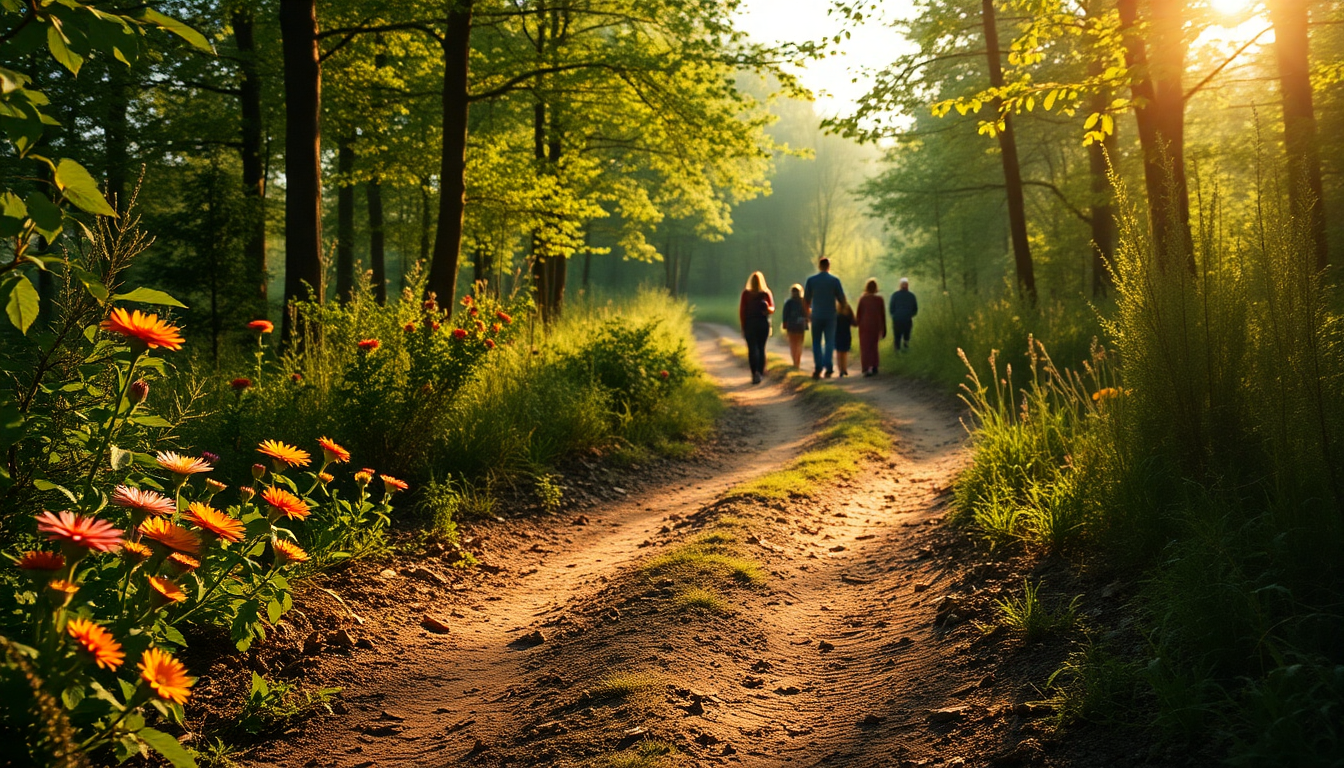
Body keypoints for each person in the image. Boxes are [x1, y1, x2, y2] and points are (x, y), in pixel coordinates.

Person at [802, 257, 847, 378]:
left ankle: (818, 368)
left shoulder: (811, 281)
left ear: (819, 266)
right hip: (831, 316)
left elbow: (806, 300)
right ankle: (829, 367)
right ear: (828, 266)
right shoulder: (834, 281)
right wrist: (841, 312)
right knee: (829, 342)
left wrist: (808, 314)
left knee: (816, 342)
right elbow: (842, 300)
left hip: (816, 315)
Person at [738, 271, 775, 384]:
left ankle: (755, 373)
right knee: (761, 348)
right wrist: (766, 308)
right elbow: (772, 309)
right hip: (763, 324)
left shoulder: (746, 294)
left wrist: (743, 325)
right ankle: (760, 371)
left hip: (750, 323)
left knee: (752, 349)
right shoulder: (765, 293)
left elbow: (742, 311)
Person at [856, 278, 887, 376]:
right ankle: (874, 366)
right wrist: (884, 329)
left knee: (865, 347)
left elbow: (859, 314)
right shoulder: (880, 299)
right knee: (874, 346)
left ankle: (865, 368)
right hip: (876, 325)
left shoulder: (863, 299)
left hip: (864, 325)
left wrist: (857, 324)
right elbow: (882, 315)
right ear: (876, 288)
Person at [780, 284, 808, 370]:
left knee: (793, 344)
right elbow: (806, 314)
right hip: (801, 325)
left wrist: (784, 324)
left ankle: (794, 362)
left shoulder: (788, 302)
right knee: (799, 344)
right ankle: (797, 361)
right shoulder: (803, 302)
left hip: (791, 325)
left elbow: (785, 315)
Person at [889, 277, 918, 352]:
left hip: (897, 319)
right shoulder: (911, 296)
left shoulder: (895, 295)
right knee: (906, 336)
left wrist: (894, 315)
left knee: (897, 337)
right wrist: (910, 315)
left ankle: (897, 351)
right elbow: (915, 309)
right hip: (907, 319)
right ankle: (905, 350)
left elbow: (891, 308)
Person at [834, 301, 855, 377]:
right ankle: (844, 369)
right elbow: (853, 321)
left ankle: (841, 369)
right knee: (844, 352)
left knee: (839, 352)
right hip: (846, 333)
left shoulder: (835, 310)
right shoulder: (848, 309)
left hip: (837, 334)